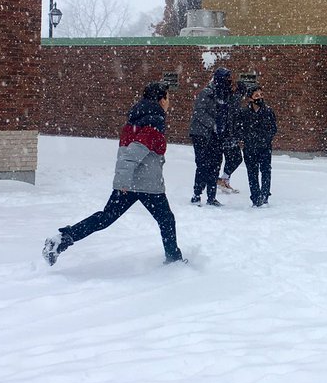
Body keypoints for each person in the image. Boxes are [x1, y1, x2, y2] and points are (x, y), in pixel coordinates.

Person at [43, 81, 185, 265]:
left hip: (131, 184)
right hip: (147, 186)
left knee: (105, 218)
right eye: (167, 98)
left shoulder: (135, 120)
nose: (169, 102)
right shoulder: (153, 122)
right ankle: (174, 259)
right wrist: (123, 182)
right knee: (166, 220)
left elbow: (128, 151)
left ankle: (62, 239)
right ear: (160, 99)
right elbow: (131, 154)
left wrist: (123, 183)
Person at [189, 67, 233, 206]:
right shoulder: (206, 93)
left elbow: (227, 114)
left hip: (217, 136)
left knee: (215, 165)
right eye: (226, 79)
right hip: (202, 134)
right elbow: (199, 112)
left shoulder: (225, 95)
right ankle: (197, 194)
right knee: (203, 164)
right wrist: (213, 124)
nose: (229, 82)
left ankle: (211, 196)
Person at [239, 84, 278, 207]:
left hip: (264, 147)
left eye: (261, 95)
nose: (260, 97)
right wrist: (244, 139)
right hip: (249, 148)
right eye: (256, 95)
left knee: (265, 170)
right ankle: (255, 197)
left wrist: (266, 138)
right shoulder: (244, 112)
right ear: (250, 98)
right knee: (252, 172)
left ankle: (265, 195)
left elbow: (273, 128)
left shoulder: (268, 111)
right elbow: (238, 128)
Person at [217, 79, 248, 194]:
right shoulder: (236, 99)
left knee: (230, 159)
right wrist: (236, 133)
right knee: (236, 158)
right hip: (230, 136)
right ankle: (223, 179)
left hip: (226, 134)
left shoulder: (230, 98)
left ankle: (225, 181)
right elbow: (233, 119)